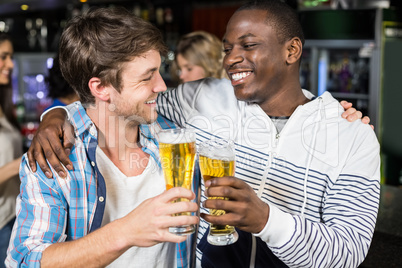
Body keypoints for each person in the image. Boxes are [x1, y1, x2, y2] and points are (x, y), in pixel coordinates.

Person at [24, 1, 379, 267]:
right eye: (227, 48)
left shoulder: (350, 135)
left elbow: (348, 252)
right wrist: (55, 116)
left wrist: (266, 219)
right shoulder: (201, 99)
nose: (231, 59)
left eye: (248, 45)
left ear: (292, 50)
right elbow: (112, 104)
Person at [5, 7, 199, 268]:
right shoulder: (55, 155)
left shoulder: (173, 134)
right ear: (100, 88)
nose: (162, 85)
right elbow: (26, 260)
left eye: (158, 71)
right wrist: (126, 231)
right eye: (146, 77)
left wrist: (54, 113)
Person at [0, 32, 23, 268]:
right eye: (3, 57)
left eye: (11, 57)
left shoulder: (4, 105)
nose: (10, 64)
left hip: (13, 216)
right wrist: (24, 162)